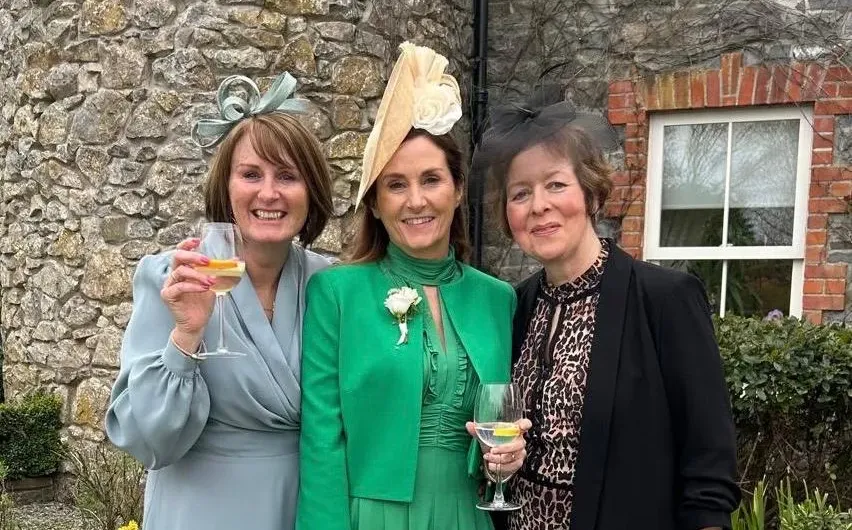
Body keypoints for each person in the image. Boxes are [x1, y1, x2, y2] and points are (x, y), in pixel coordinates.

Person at [474, 88, 741, 530]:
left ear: (592, 195)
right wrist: (501, 463)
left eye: (556, 184)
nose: (539, 205)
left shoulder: (665, 300)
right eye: (520, 193)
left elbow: (709, 468)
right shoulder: (516, 306)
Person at [296, 42, 528, 530]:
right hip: (370, 517)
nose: (416, 200)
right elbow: (321, 443)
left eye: (431, 180)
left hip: (468, 515)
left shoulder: (498, 299)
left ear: (458, 190)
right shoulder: (336, 295)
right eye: (396, 184)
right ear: (375, 203)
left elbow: (500, 423)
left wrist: (504, 460)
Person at [105, 73, 334, 530]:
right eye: (251, 174)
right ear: (225, 188)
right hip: (198, 510)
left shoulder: (328, 284)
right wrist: (186, 336)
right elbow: (145, 440)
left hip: (303, 507)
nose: (268, 193)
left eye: (287, 176)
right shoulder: (174, 278)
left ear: (311, 192)